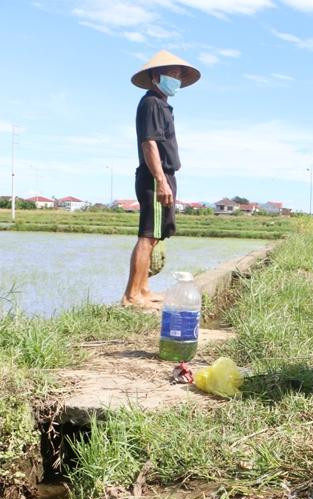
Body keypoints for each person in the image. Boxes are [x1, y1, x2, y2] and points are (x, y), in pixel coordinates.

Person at [122, 50, 200, 308]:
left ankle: (143, 288)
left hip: (163, 175)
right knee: (147, 234)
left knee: (155, 234)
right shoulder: (152, 103)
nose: (177, 79)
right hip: (155, 176)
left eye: (179, 75)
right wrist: (161, 180)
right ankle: (132, 295)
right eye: (173, 74)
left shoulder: (161, 104)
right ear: (156, 76)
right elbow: (150, 144)